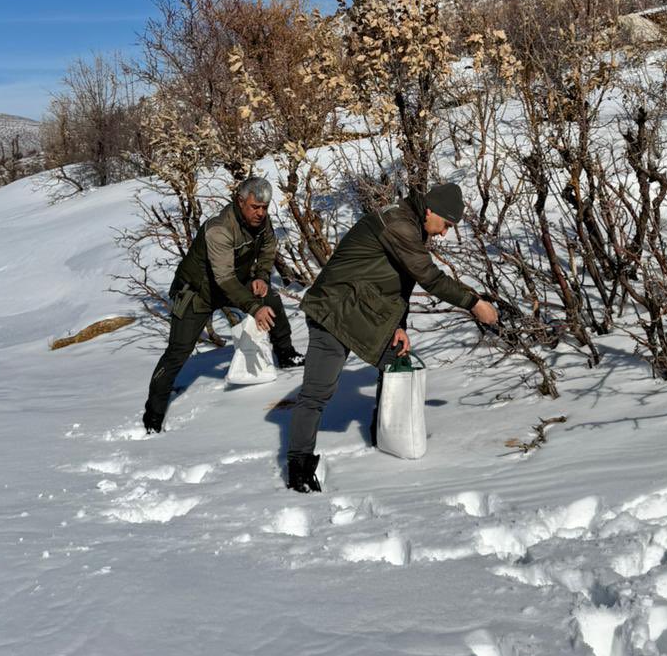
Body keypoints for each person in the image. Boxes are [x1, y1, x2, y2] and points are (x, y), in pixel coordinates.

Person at [285, 182, 498, 490]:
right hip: (332, 310)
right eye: (446, 224)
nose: (444, 233)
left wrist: (399, 326)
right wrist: (474, 303)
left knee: (394, 359)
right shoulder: (399, 224)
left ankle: (386, 433)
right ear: (430, 210)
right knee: (317, 393)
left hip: (360, 311)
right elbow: (429, 278)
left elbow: (401, 285)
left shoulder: (411, 224)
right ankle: (299, 467)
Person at [143, 176, 301, 433]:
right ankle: (153, 415)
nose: (260, 213)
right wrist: (253, 307)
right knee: (177, 352)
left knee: (269, 298)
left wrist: (261, 276)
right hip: (197, 293)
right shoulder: (219, 229)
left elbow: (269, 247)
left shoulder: (261, 222)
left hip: (229, 284)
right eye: (254, 207)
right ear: (240, 202)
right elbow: (224, 279)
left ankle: (286, 353)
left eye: (264, 208)